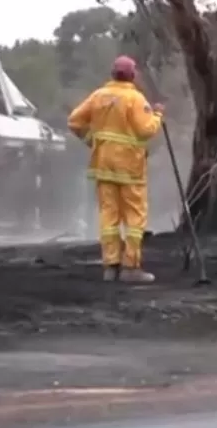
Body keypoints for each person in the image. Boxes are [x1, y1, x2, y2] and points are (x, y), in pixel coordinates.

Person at [67, 56, 164, 283]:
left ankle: (110, 267)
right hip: (130, 167)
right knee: (134, 217)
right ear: (132, 75)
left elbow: (74, 121)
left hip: (103, 164)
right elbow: (145, 130)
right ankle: (131, 268)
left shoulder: (98, 96)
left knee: (108, 215)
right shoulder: (134, 98)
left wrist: (93, 141)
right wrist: (158, 115)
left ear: (113, 74)